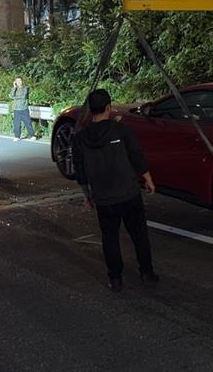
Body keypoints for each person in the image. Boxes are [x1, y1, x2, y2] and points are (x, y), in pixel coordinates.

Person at [73, 89, 159, 292]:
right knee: (139, 235)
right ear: (109, 108)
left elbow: (80, 171)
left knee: (110, 238)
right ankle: (146, 273)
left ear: (90, 110)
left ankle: (115, 278)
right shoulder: (120, 130)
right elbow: (136, 154)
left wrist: (88, 195)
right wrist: (148, 178)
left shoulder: (80, 138)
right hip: (128, 193)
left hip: (103, 197)